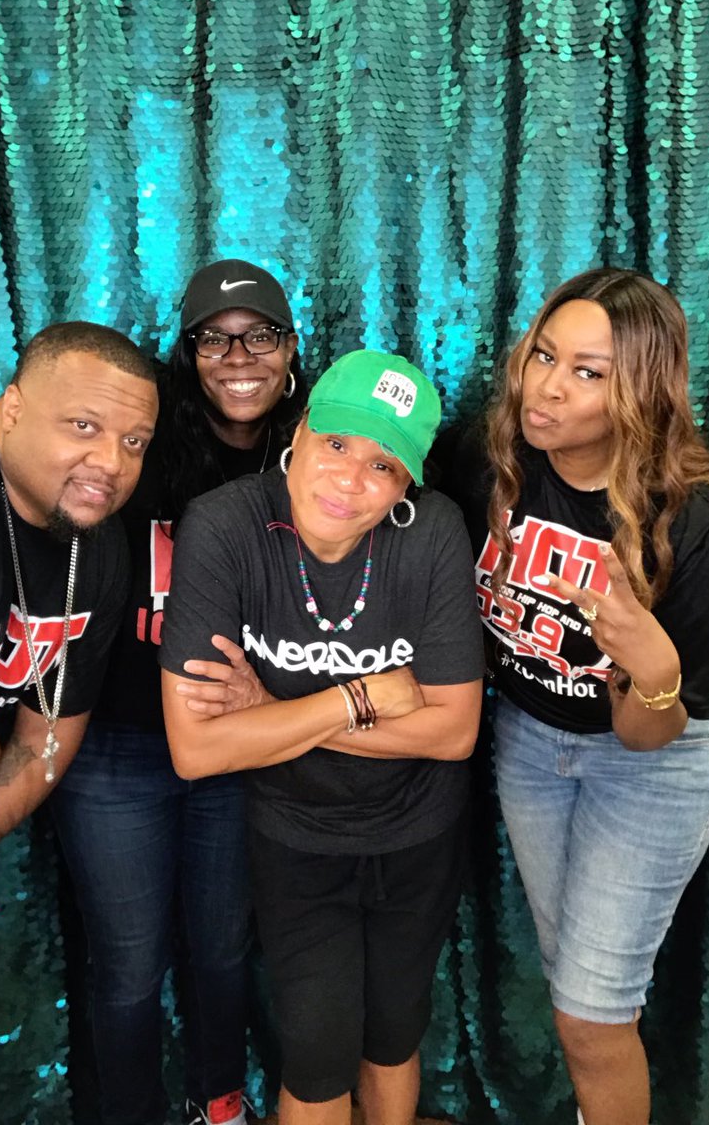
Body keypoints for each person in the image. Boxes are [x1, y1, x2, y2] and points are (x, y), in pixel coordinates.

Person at [437, 268, 709, 1125]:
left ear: (641, 391)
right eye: (545, 355)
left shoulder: (688, 520)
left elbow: (652, 732)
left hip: (649, 756)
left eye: (590, 371)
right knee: (580, 987)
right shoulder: (488, 457)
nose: (547, 386)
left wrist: (651, 668)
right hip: (530, 738)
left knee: (590, 1013)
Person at [159, 349, 484, 1125]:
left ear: (408, 485)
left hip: (418, 836)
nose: (349, 479)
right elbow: (197, 750)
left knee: (394, 1036)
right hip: (298, 839)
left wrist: (271, 710)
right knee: (316, 1050)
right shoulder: (225, 524)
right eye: (337, 443)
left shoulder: (432, 530)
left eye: (382, 465)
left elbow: (452, 732)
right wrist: (363, 699)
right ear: (298, 433)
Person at [50, 259, 307, 1125]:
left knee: (226, 949)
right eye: (214, 339)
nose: (239, 357)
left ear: (290, 348)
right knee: (126, 960)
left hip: (237, 744)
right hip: (120, 744)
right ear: (187, 354)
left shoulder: (319, 457)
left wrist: (272, 698)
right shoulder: (141, 449)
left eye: (260, 335)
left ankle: (219, 1106)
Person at [0, 322, 159, 1125]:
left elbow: (50, 739)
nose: (112, 463)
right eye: (83, 427)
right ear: (10, 407)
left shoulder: (97, 546)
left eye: (134, 440)